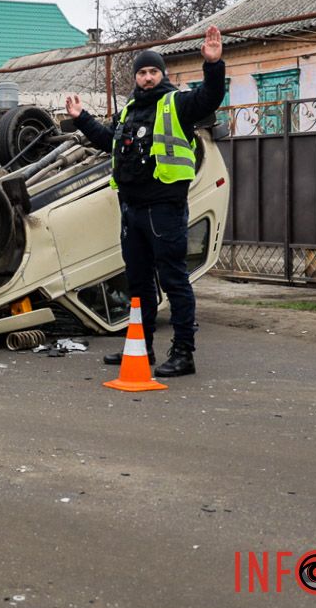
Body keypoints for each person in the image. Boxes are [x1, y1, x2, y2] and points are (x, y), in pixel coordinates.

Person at [64, 25, 225, 377]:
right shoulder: (130, 110)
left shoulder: (177, 104)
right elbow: (108, 141)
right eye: (142, 72)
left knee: (173, 280)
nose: (148, 77)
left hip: (164, 209)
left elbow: (210, 98)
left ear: (162, 75)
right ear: (135, 77)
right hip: (131, 210)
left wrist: (213, 65)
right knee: (137, 283)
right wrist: (82, 118)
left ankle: (183, 353)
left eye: (153, 71)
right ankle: (140, 346)